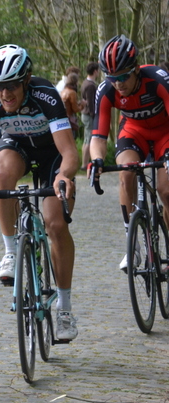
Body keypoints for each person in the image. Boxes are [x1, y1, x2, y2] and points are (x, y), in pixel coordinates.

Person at [0, 44, 79, 341]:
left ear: (26, 80)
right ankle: (10, 253)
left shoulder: (46, 95)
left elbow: (69, 152)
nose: (5, 94)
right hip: (15, 148)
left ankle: (65, 309)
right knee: (0, 171)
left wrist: (64, 176)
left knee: (55, 223)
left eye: (12, 85)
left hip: (50, 154)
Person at [87, 35, 169, 271]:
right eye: (112, 78)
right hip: (134, 132)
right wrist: (97, 160)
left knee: (165, 189)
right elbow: (98, 137)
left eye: (123, 76)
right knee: (126, 173)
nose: (118, 83)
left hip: (165, 133)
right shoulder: (106, 91)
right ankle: (132, 246)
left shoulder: (157, 79)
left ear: (136, 69)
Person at [79, 62, 100, 168]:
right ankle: (85, 164)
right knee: (89, 139)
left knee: (87, 138)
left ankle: (86, 162)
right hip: (88, 115)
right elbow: (91, 103)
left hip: (86, 114)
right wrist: (94, 115)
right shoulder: (90, 85)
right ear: (95, 71)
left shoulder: (86, 83)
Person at [60, 72, 83, 140]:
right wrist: (82, 105)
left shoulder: (63, 91)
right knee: (71, 139)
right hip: (70, 120)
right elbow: (75, 109)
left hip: (63, 118)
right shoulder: (72, 92)